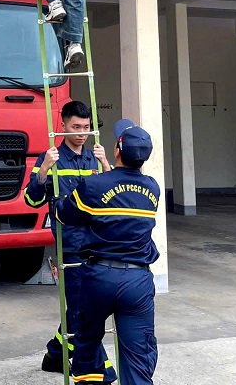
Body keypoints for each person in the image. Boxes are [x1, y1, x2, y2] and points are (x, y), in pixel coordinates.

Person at [54, 119, 161, 385]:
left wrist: (56, 197)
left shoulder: (95, 185)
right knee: (138, 355)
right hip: (137, 281)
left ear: (117, 151)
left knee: (87, 345)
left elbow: (65, 216)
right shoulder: (152, 189)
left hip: (98, 277)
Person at [24, 101, 115, 378]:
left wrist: (106, 164)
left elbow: (114, 198)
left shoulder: (93, 159)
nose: (81, 133)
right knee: (82, 308)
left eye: (86, 128)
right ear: (62, 125)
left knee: (81, 306)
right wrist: (43, 172)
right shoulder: (50, 158)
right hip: (69, 246)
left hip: (96, 244)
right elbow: (31, 200)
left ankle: (55, 353)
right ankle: (102, 372)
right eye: (76, 127)